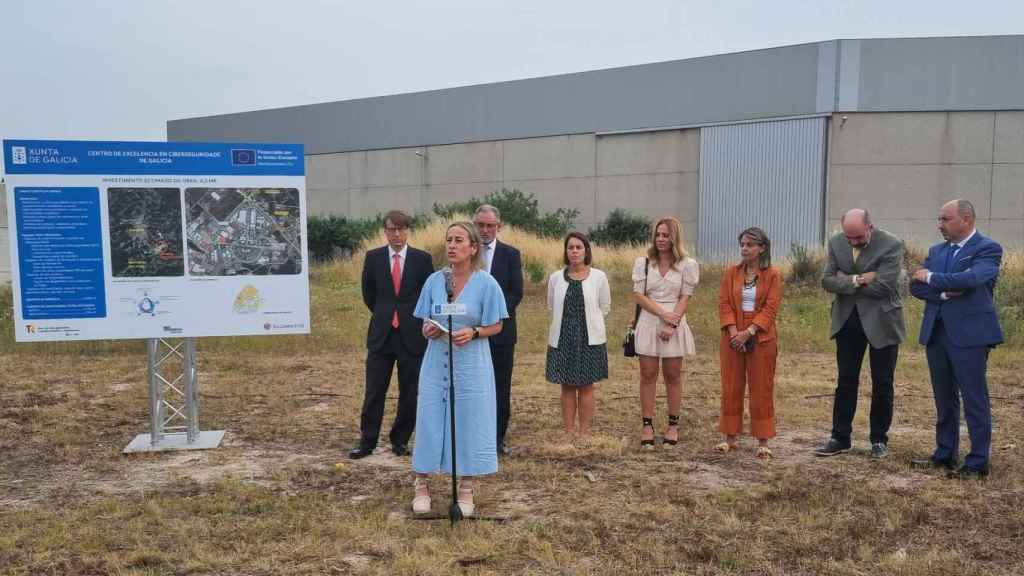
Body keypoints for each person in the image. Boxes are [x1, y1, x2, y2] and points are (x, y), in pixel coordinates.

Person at [411, 222, 509, 516]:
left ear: (473, 247)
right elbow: (424, 318)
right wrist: (427, 329)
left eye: (458, 240)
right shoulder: (434, 281)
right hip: (436, 361)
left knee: (467, 420)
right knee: (429, 417)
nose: (452, 245)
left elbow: (497, 324)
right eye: (449, 240)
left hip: (470, 363)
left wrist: (475, 332)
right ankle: (421, 484)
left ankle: (466, 487)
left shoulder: (487, 283)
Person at [910, 199, 1002, 479]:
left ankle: (977, 462)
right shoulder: (937, 251)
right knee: (944, 398)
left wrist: (931, 277)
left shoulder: (987, 249)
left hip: (971, 336)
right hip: (937, 333)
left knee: (974, 399)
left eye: (945, 219)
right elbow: (915, 287)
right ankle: (945, 454)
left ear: (967, 219)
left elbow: (971, 280)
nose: (940, 225)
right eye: (939, 219)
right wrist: (941, 290)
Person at [815, 209, 906, 459]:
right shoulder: (836, 243)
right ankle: (840, 437)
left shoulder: (891, 245)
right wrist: (860, 279)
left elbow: (884, 287)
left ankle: (879, 439)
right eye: (849, 237)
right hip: (847, 322)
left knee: (883, 382)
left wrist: (845, 280)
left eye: (858, 237)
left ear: (870, 227)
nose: (853, 242)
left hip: (883, 322)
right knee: (845, 381)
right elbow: (827, 281)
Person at [349, 211, 434, 460]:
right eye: (391, 229)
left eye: (401, 229)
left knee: (410, 391)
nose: (396, 234)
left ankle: (400, 440)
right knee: (374, 390)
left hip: (412, 335)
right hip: (382, 334)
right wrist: (386, 313)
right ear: (385, 231)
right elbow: (369, 294)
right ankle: (367, 441)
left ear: (408, 231)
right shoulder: (373, 257)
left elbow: (427, 294)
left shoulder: (422, 259)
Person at [632, 217, 699, 449]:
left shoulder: (688, 265)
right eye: (658, 235)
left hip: (674, 322)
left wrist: (672, 324)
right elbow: (639, 295)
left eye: (665, 235)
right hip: (649, 320)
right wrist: (662, 314)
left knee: (673, 375)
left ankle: (673, 425)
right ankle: (647, 425)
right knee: (647, 373)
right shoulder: (643, 263)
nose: (660, 239)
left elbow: (685, 297)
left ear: (675, 238)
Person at [716, 227, 783, 459]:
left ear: (762, 248)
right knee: (731, 386)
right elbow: (724, 303)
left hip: (760, 337)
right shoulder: (731, 273)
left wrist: (750, 331)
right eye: (742, 244)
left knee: (761, 388)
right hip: (732, 336)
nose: (744, 249)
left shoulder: (773, 275)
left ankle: (763, 441)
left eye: (750, 245)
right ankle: (730, 438)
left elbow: (771, 307)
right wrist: (734, 332)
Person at [546, 232, 611, 437]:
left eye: (578, 247)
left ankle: (583, 433)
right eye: (570, 247)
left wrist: (588, 324)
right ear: (566, 252)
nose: (574, 251)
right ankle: (568, 432)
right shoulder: (555, 278)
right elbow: (551, 306)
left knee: (586, 386)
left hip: (589, 339)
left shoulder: (599, 277)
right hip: (563, 338)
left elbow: (605, 307)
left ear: (586, 251)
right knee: (566, 385)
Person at [473, 205, 523, 456]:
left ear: (498, 227)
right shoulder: (466, 252)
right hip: (469, 333)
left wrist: (492, 317)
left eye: (490, 225)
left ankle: (496, 439)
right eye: (480, 225)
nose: (485, 230)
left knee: (500, 386)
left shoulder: (511, 254)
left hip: (501, 332)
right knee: (472, 386)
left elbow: (516, 292)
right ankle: (472, 436)